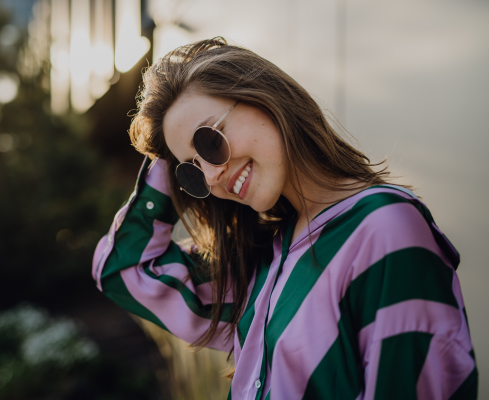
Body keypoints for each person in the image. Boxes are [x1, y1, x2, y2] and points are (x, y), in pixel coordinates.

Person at [92, 37, 477, 399]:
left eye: (210, 141)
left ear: (265, 99)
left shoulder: (385, 230)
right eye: (192, 171)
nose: (211, 177)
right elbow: (124, 270)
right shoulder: (266, 256)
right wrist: (167, 143)